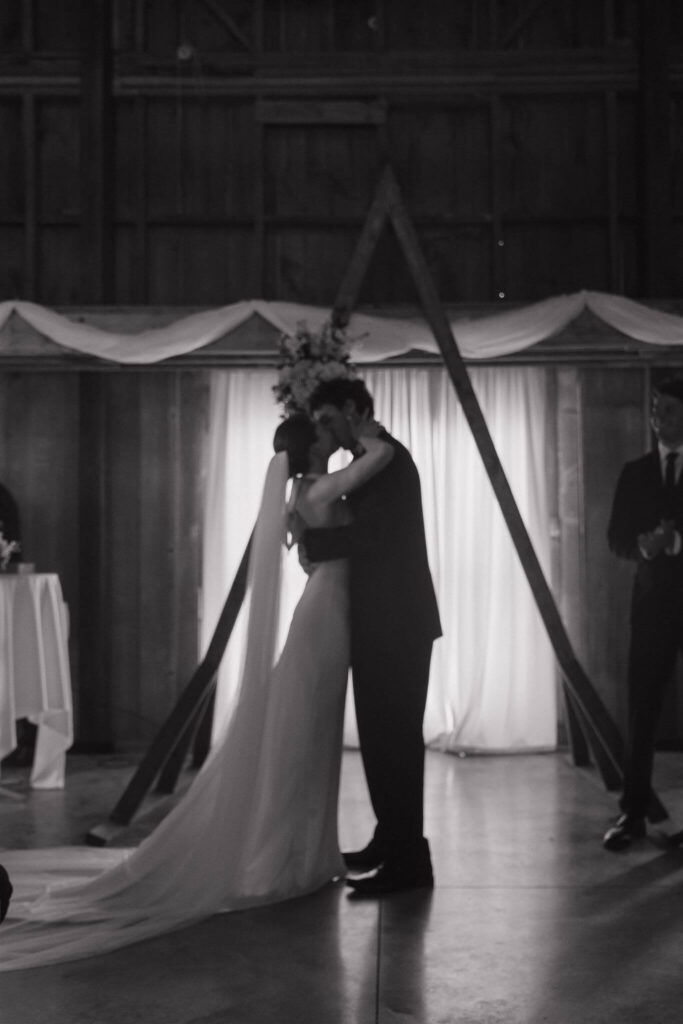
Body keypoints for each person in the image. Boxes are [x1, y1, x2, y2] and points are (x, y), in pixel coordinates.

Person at [0, 413, 392, 971]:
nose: (334, 439)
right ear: (312, 451)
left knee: (313, 736)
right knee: (308, 735)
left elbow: (308, 552)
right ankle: (291, 854)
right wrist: (368, 434)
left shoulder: (303, 491)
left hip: (326, 608)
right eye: (325, 436)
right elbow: (381, 459)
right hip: (327, 617)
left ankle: (307, 852)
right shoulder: (322, 487)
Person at [304, 378, 442, 895]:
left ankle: (411, 862)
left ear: (354, 409)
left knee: (397, 740)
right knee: (381, 738)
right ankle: (392, 840)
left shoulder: (389, 460)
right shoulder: (367, 461)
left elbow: (375, 537)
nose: (326, 430)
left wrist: (313, 538)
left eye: (329, 419)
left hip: (399, 621)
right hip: (379, 618)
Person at [603, 377, 683, 851]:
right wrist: (643, 547)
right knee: (642, 710)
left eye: (669, 410)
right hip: (651, 607)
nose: (659, 418)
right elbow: (615, 537)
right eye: (656, 410)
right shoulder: (635, 473)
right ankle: (631, 814)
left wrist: (677, 542)